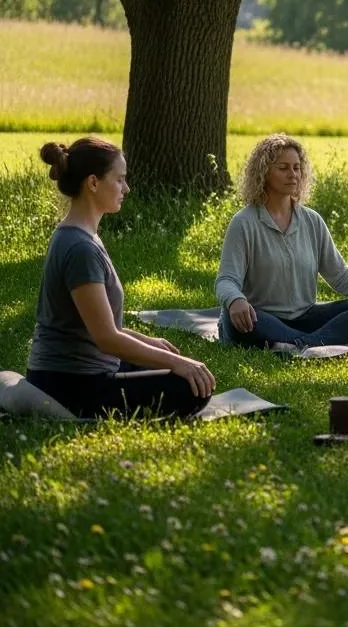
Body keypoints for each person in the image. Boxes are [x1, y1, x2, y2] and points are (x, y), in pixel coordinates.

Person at [26, 138, 215, 420]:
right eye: (119, 180)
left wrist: (151, 341)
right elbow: (107, 338)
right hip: (68, 384)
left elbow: (100, 328)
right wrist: (176, 361)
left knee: (185, 373)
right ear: (93, 183)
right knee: (188, 386)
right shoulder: (79, 248)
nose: (126, 188)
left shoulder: (80, 235)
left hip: (83, 372)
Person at [216, 133, 348, 350]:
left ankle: (301, 344)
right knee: (235, 319)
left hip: (306, 318)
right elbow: (226, 280)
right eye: (283, 168)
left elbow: (340, 275)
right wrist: (235, 300)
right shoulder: (244, 222)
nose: (292, 174)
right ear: (264, 172)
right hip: (260, 318)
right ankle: (314, 342)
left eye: (296, 167)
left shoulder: (312, 221)